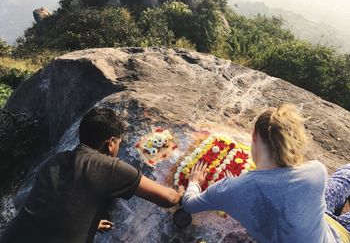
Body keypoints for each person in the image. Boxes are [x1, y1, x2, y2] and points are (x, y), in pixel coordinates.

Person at [0, 107, 181, 243]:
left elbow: (54, 203)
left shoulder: (54, 160)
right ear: (110, 143)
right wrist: (192, 186)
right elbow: (169, 198)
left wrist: (88, 222)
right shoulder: (110, 167)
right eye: (119, 143)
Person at [182, 103, 350, 242]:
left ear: (254, 135)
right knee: (344, 177)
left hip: (323, 225)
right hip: (328, 233)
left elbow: (189, 204)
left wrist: (195, 183)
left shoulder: (229, 190)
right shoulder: (315, 172)